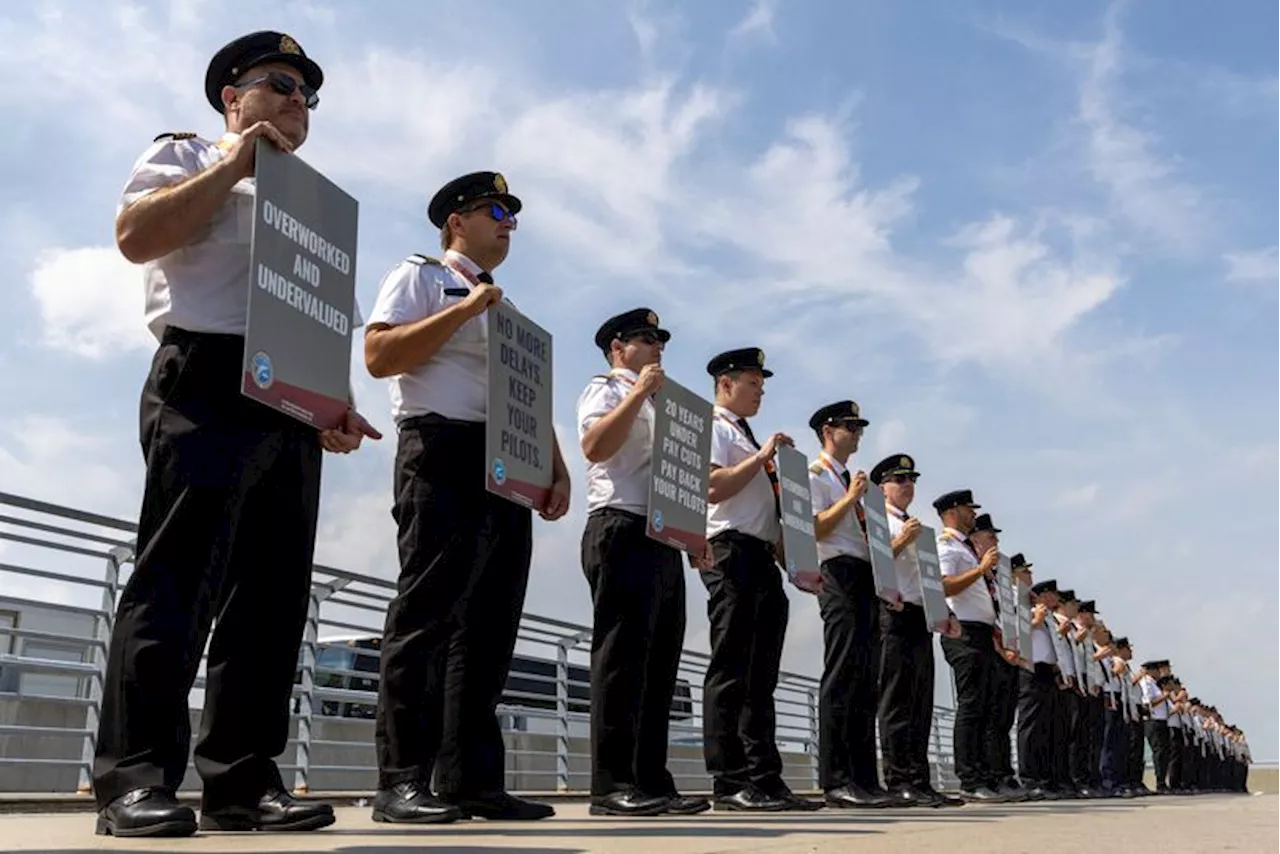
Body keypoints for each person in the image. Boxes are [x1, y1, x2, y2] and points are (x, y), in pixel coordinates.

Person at [91, 31, 381, 838]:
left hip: (288, 404)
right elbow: (137, 237)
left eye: (307, 95)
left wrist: (336, 402)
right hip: (209, 379)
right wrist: (235, 166)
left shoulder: (312, 206)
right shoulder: (186, 154)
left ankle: (243, 782)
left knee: (272, 604)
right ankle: (134, 779)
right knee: (178, 582)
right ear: (232, 96)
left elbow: (318, 319)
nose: (297, 102)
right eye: (280, 84)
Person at [365, 171, 571, 823]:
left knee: (490, 628)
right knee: (426, 617)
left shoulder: (506, 309)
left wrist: (556, 467)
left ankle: (471, 779)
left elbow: (526, 398)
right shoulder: (423, 276)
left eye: (512, 212)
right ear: (457, 221)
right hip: (441, 448)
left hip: (505, 465)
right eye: (497, 209)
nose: (510, 221)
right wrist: (462, 310)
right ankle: (402, 779)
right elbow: (378, 354)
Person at [575, 308, 708, 817]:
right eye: (646, 339)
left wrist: (693, 535)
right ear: (618, 348)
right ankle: (611, 784)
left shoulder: (665, 405)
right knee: (621, 660)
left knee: (659, 664)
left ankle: (651, 778)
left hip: (662, 536)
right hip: (620, 525)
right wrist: (636, 393)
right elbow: (595, 445)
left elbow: (677, 477)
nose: (657, 347)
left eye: (659, 340)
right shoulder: (605, 389)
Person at [700, 348, 815, 811]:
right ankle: (729, 781)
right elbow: (712, 486)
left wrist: (799, 566)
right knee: (731, 668)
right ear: (726, 384)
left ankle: (766, 778)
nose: (760, 393)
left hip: (763, 557)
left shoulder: (746, 439)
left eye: (762, 386)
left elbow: (769, 515)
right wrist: (764, 456)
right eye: (753, 384)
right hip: (729, 551)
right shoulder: (713, 427)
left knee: (762, 677)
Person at [803, 402, 892, 809]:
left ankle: (864, 778)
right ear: (828, 430)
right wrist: (850, 498)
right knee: (842, 673)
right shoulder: (816, 475)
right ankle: (837, 778)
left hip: (865, 574)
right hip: (836, 570)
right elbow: (814, 526)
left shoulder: (852, 481)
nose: (857, 433)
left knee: (865, 677)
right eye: (850, 426)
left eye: (860, 427)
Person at [872, 454, 962, 807]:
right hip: (892, 613)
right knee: (896, 700)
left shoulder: (916, 527)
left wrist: (944, 613)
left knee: (920, 702)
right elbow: (876, 561)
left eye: (911, 479)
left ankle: (920, 779)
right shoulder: (879, 519)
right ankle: (899, 779)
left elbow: (928, 580)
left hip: (919, 616)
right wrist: (902, 541)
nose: (907, 485)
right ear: (883, 487)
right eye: (899, 479)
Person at [933, 490, 1006, 802]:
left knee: (987, 707)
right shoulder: (947, 545)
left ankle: (985, 775)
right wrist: (979, 569)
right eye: (967, 509)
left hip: (983, 633)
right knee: (972, 705)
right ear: (952, 511)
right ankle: (969, 778)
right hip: (963, 632)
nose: (973, 514)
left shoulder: (965, 547)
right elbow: (944, 583)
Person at [1017, 579, 1061, 799]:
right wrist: (1035, 620)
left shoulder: (1049, 619)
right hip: (1029, 668)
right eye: (1052, 595)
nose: (1056, 600)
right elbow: (1015, 634)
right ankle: (1029, 778)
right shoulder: (1024, 610)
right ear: (1042, 595)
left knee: (1045, 727)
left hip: (1047, 672)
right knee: (1030, 725)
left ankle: (1044, 778)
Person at [1140, 660, 1174, 793]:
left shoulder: (1156, 684)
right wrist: (1164, 696)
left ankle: (1162, 782)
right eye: (1157, 670)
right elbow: (1147, 703)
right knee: (1158, 752)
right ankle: (1159, 783)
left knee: (1164, 753)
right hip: (1153, 720)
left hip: (1162, 721)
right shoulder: (1147, 683)